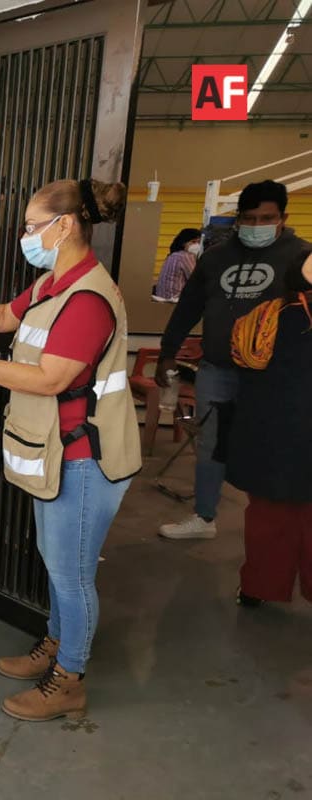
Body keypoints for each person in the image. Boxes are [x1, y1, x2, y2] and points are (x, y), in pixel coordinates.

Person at [0, 178, 141, 721]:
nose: (26, 236)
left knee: (72, 575)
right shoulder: (54, 283)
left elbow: (52, 378)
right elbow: (6, 317)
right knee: (58, 562)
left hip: (86, 457)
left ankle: (70, 678)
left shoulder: (88, 300)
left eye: (34, 226)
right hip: (56, 451)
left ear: (66, 225)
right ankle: (57, 644)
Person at [156, 180, 310, 540]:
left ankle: (271, 529)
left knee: (271, 445)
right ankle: (204, 516)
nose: (257, 226)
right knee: (211, 443)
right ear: (238, 219)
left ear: (283, 218)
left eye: (266, 218)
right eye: (249, 219)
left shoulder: (302, 258)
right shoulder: (215, 257)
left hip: (274, 376)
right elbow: (188, 308)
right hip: (218, 368)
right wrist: (167, 353)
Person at [228, 253, 312, 607]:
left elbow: (243, 369)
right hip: (290, 437)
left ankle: (258, 588)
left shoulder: (263, 318)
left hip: (269, 439)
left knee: (268, 519)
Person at [152, 227, 201, 302]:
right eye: (193, 242)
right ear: (184, 243)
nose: (197, 245)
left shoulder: (173, 255)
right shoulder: (186, 256)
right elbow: (195, 279)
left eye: (199, 242)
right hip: (174, 300)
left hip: (162, 297)